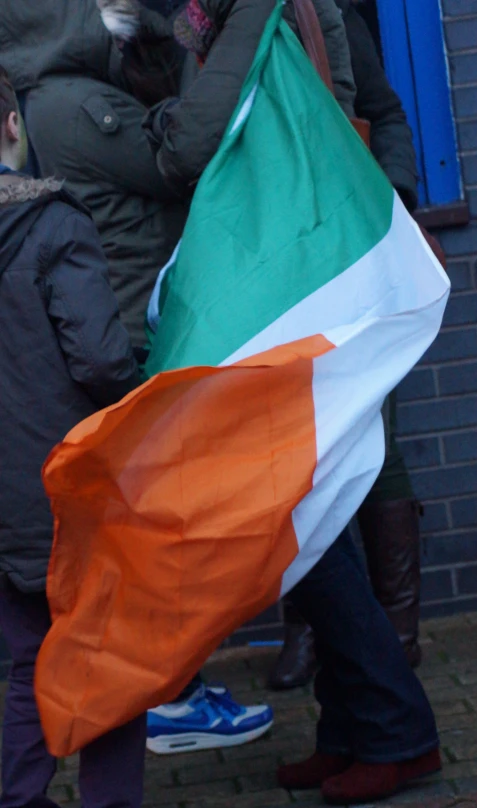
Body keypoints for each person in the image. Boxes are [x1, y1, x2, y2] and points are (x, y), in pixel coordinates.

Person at [141, 0, 442, 803]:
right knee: (309, 515)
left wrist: (394, 207)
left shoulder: (268, 9)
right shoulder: (225, 21)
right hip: (292, 264)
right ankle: (355, 728)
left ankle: (398, 731)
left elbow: (218, 142)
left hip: (296, 273)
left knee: (300, 516)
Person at [0, 0, 274, 754]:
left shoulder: (49, 102)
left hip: (88, 354)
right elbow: (178, 154)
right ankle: (168, 699)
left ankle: (162, 696)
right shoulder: (74, 105)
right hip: (120, 335)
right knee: (147, 543)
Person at [268, 0, 439, 691]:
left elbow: (386, 113)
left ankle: (399, 627)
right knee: (290, 442)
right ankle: (310, 625)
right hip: (271, 260)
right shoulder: (205, 25)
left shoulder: (331, 14)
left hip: (349, 244)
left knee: (373, 428)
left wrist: (389, 196)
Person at [0, 65, 146, 808]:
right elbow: (97, 356)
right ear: (14, 129)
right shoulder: (52, 223)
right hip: (62, 490)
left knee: (27, 662)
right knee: (109, 661)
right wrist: (143, 391)